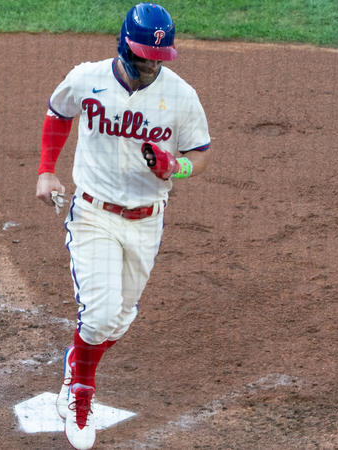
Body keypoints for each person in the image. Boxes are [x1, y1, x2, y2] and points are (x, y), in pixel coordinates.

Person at [35, 4, 212, 449]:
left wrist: (177, 166)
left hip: (147, 222)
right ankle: (79, 397)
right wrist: (46, 170)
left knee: (118, 322)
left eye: (159, 58)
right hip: (93, 213)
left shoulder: (181, 96)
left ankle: (75, 362)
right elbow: (59, 112)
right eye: (143, 57)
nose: (151, 65)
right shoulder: (87, 78)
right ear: (123, 47)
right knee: (97, 318)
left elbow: (201, 153)